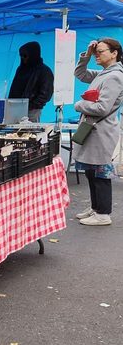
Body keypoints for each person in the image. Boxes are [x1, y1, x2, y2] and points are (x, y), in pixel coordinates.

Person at [72, 37, 123, 227]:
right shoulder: (104, 73)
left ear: (114, 53)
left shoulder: (115, 76)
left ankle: (103, 213)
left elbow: (102, 107)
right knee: (91, 171)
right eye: (96, 52)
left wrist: (80, 105)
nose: (96, 56)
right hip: (94, 130)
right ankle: (96, 207)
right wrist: (87, 54)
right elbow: (80, 73)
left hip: (101, 131)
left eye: (100, 52)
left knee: (101, 172)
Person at [8, 42, 54, 122]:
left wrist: (32, 106)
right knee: (13, 133)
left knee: (30, 132)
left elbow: (46, 93)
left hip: (32, 111)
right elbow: (14, 89)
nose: (23, 58)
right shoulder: (20, 69)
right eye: (21, 56)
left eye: (25, 56)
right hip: (15, 108)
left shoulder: (44, 71)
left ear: (33, 55)